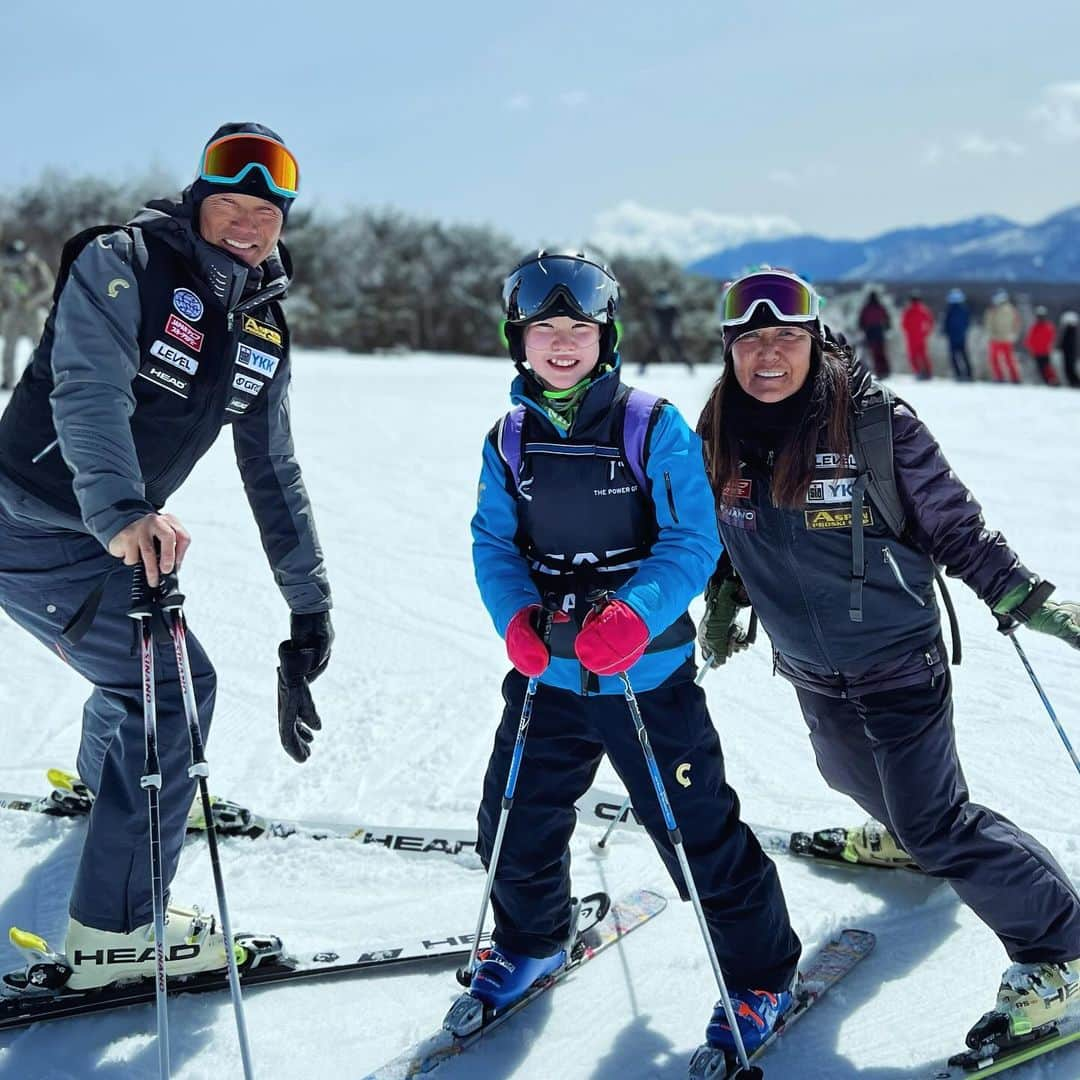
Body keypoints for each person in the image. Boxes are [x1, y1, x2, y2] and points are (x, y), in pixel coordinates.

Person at [697, 268, 1080, 1047]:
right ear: (730, 349)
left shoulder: (874, 424)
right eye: (751, 340)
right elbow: (730, 532)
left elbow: (955, 527)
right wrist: (727, 595)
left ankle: (1061, 947)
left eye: (786, 337)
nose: (769, 354)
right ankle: (906, 837)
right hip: (809, 664)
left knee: (938, 822)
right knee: (845, 776)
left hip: (897, 661)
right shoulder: (717, 432)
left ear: (815, 340)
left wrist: (1027, 600)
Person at [0, 123, 332, 991]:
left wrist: (309, 603)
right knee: (174, 687)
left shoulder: (260, 327)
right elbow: (89, 389)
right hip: (32, 520)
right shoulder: (125, 264)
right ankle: (118, 930)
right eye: (232, 203)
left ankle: (121, 788)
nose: (250, 223)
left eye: (268, 210)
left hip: (100, 529)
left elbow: (274, 469)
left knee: (139, 664)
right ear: (198, 199)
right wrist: (122, 510)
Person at [468, 250, 801, 1059]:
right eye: (544, 327)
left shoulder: (653, 424)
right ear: (519, 338)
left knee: (695, 832)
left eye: (577, 327)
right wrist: (515, 617)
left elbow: (693, 539)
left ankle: (760, 976)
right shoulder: (508, 438)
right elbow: (494, 541)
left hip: (642, 675)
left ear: (603, 336)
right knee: (511, 822)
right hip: (549, 673)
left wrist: (635, 616)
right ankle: (534, 937)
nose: (560, 343)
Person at [0, 238, 54, 389]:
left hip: (32, 310)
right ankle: (8, 379)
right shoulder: (6, 267)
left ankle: (45, 377)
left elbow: (49, 287)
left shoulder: (36, 265)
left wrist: (32, 300)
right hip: (12, 311)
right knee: (9, 346)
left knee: (40, 345)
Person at [985, 289, 1021, 383]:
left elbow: (989, 324)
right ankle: (1014, 378)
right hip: (1005, 339)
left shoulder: (993, 310)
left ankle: (1001, 377)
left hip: (997, 339)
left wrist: (991, 335)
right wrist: (1014, 335)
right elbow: (1017, 324)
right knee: (1008, 360)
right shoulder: (1012, 310)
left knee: (996, 360)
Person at [900, 291, 934, 379]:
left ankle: (918, 372)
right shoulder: (923, 310)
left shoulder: (908, 311)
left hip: (911, 338)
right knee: (924, 356)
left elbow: (903, 324)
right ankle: (928, 372)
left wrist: (908, 332)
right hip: (921, 337)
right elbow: (930, 322)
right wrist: (926, 333)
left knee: (913, 357)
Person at [857, 290, 891, 377]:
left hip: (870, 331)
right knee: (881, 351)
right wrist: (887, 326)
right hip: (879, 330)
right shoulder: (880, 306)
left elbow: (861, 320)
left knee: (875, 352)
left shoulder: (866, 308)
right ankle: (885, 370)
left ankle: (880, 371)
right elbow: (887, 317)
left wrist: (863, 328)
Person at [1023, 306, 1060, 386]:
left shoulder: (1048, 327)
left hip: (1045, 351)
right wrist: (1029, 346)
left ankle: (1053, 381)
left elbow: (1052, 338)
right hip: (1037, 352)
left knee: (1047, 367)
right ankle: (1047, 381)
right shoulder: (1035, 327)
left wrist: (1049, 347)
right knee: (1041, 368)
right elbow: (1029, 338)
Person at [942, 287, 973, 381]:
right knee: (964, 355)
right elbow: (968, 323)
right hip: (962, 336)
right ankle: (969, 374)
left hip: (952, 336)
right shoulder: (964, 309)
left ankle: (959, 374)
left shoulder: (950, 309)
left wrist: (945, 331)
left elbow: (946, 322)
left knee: (954, 356)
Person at [1060, 311, 1080, 388]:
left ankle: (1074, 383)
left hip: (1069, 354)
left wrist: (1060, 347)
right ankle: (1073, 382)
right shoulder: (1072, 332)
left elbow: (1065, 343)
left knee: (1069, 368)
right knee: (1069, 368)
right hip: (1070, 353)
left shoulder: (1070, 332)